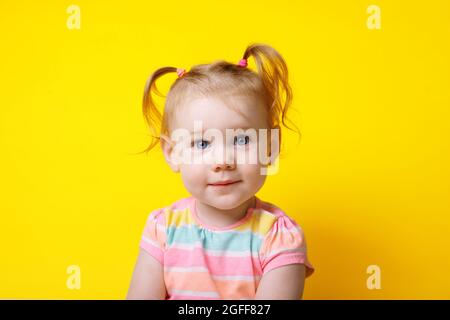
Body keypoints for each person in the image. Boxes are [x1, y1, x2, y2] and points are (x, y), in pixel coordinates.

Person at [127, 43, 314, 300]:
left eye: (242, 140)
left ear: (271, 146)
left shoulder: (279, 238)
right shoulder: (163, 229)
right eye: (202, 143)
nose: (223, 161)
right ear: (173, 153)